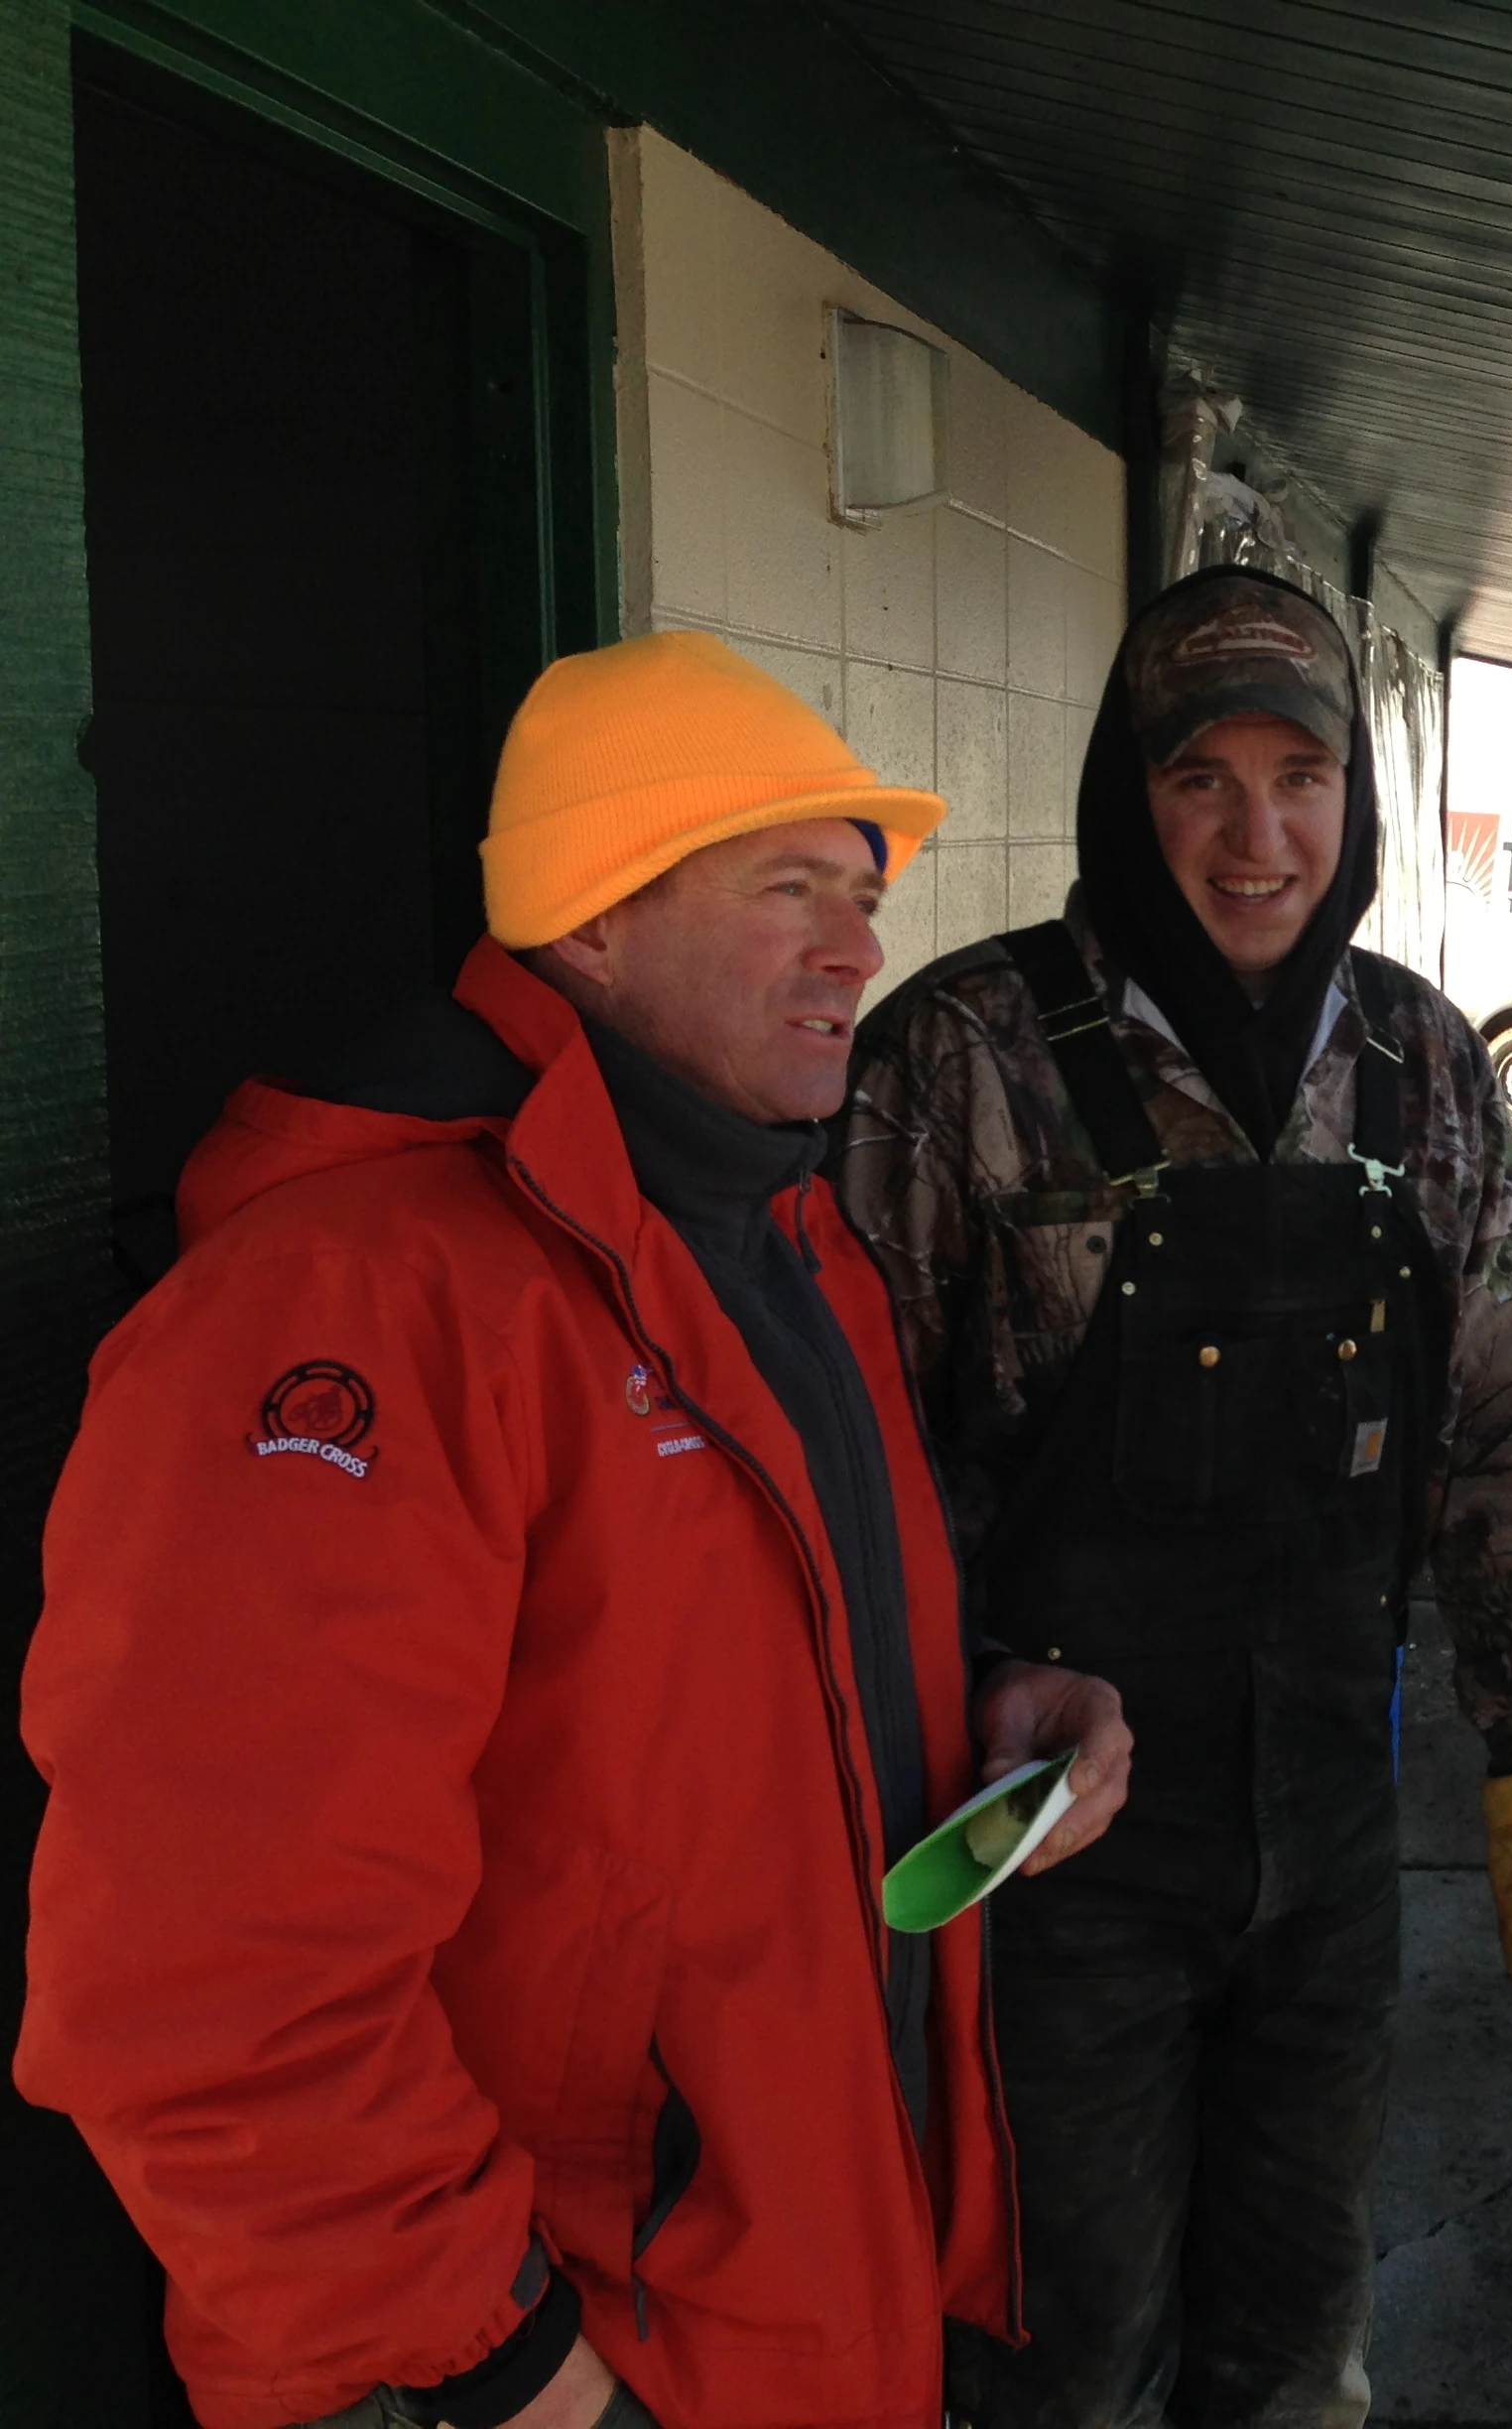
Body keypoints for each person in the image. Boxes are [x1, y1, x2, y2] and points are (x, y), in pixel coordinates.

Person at [17, 632, 1131, 2429]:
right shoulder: (357, 1302)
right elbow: (210, 1985)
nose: (860, 948)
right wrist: (512, 2373)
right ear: (590, 919)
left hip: (788, 2309)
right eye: (792, 891)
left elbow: (709, 1683)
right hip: (549, 2364)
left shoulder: (784, 1237)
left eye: (864, 893)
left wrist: (985, 1705)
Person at [834, 565, 1512, 2427]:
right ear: (1129, 788)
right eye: (1202, 779)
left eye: (1303, 777)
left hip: (1331, 1827)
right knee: (1063, 2345)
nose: (1257, 835)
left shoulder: (1426, 1069)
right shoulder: (961, 1059)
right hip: (1054, 1843)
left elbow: (1497, 1432)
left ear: (1357, 803)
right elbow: (861, 1470)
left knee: (1293, 2339)